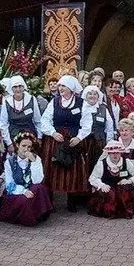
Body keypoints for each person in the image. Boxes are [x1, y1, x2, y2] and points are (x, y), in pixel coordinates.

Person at [39, 75, 90, 212]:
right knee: (52, 170)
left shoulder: (82, 103)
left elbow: (86, 123)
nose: (60, 88)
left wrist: (79, 138)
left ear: (71, 88)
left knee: (72, 171)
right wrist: (52, 133)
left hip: (72, 140)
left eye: (64, 86)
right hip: (56, 140)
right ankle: (50, 202)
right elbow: (45, 120)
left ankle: (71, 202)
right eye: (60, 86)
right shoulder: (54, 102)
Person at [0, 132, 54, 226]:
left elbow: (37, 180)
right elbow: (9, 184)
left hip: (32, 190)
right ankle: (28, 218)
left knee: (40, 187)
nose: (26, 149)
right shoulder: (9, 161)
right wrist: (23, 191)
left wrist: (34, 162)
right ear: (17, 145)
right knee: (24, 200)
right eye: (23, 146)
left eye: (29, 147)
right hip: (16, 191)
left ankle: (36, 214)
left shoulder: (36, 159)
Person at [88, 141, 134, 219]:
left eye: (117, 153)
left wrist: (129, 180)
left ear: (120, 153)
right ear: (108, 153)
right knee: (109, 194)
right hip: (108, 188)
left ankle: (125, 211)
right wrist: (101, 185)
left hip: (121, 188)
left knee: (126, 189)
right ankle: (110, 212)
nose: (115, 155)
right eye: (112, 153)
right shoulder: (101, 164)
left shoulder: (126, 162)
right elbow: (92, 178)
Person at [0, 75, 41, 152]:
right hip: (13, 136)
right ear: (11, 88)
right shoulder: (6, 101)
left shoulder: (31, 99)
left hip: (30, 135)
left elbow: (38, 121)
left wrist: (39, 137)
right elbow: (3, 124)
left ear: (23, 86)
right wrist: (9, 143)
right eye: (15, 87)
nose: (18, 89)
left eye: (20, 86)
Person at [79, 85, 115, 169]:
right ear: (85, 95)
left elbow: (109, 126)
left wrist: (108, 142)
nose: (92, 96)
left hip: (99, 143)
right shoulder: (81, 108)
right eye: (90, 94)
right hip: (83, 142)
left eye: (95, 94)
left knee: (97, 166)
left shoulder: (103, 108)